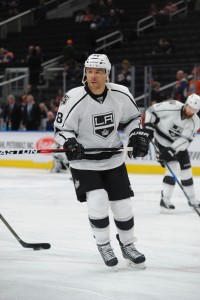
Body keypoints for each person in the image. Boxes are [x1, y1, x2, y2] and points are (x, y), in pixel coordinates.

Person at [54, 53, 150, 269]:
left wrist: (136, 134)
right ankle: (104, 244)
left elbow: (134, 118)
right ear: (84, 73)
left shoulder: (121, 94)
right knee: (97, 200)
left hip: (113, 158)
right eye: (89, 71)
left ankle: (128, 245)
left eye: (98, 71)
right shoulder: (73, 97)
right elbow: (61, 130)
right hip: (84, 162)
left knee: (123, 206)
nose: (93, 76)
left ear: (107, 74)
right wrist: (69, 142)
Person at [144, 94, 200, 212]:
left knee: (187, 172)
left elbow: (185, 139)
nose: (191, 111)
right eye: (190, 107)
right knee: (174, 168)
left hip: (179, 146)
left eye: (194, 110)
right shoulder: (172, 106)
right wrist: (148, 126)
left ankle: (193, 200)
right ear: (186, 104)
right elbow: (151, 110)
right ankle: (165, 201)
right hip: (162, 141)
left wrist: (172, 149)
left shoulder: (196, 121)